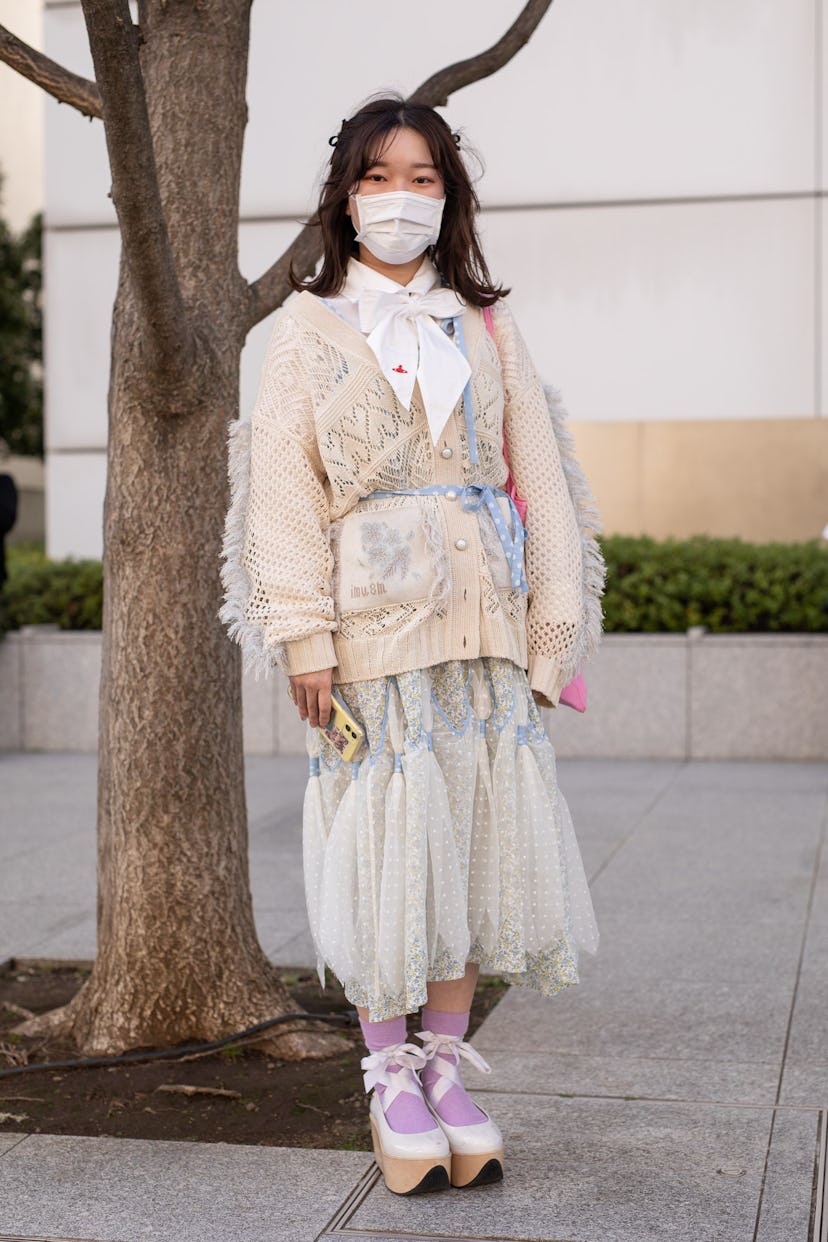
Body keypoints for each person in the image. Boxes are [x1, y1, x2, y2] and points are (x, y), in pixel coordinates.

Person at [220, 96, 602, 1197]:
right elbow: (282, 496)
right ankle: (387, 1073)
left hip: (483, 627)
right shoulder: (301, 330)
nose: (402, 198)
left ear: (450, 196)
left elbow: (547, 477)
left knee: (469, 844)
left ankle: (445, 1067)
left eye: (424, 178)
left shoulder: (486, 324)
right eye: (380, 177)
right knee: (386, 846)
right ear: (348, 195)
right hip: (368, 636)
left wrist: (553, 624)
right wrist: (301, 638)